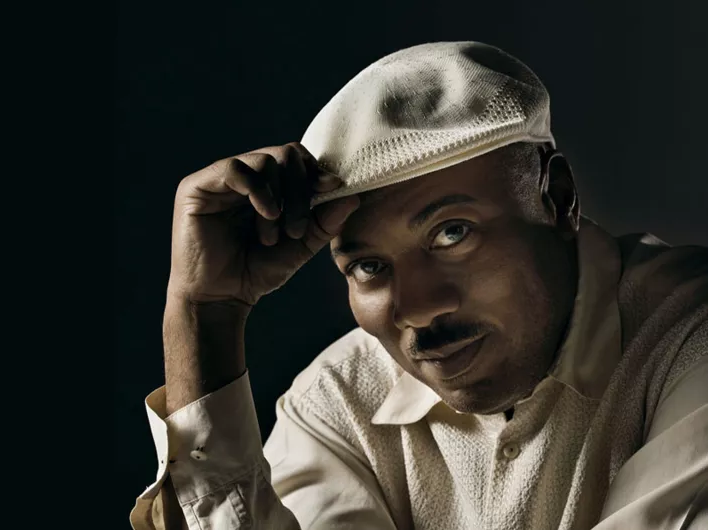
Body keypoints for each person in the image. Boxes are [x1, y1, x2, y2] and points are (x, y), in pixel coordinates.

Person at [129, 42, 708, 530]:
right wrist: (204, 314)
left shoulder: (691, 333)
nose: (419, 310)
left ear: (557, 199)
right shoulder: (335, 403)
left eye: (452, 233)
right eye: (368, 267)